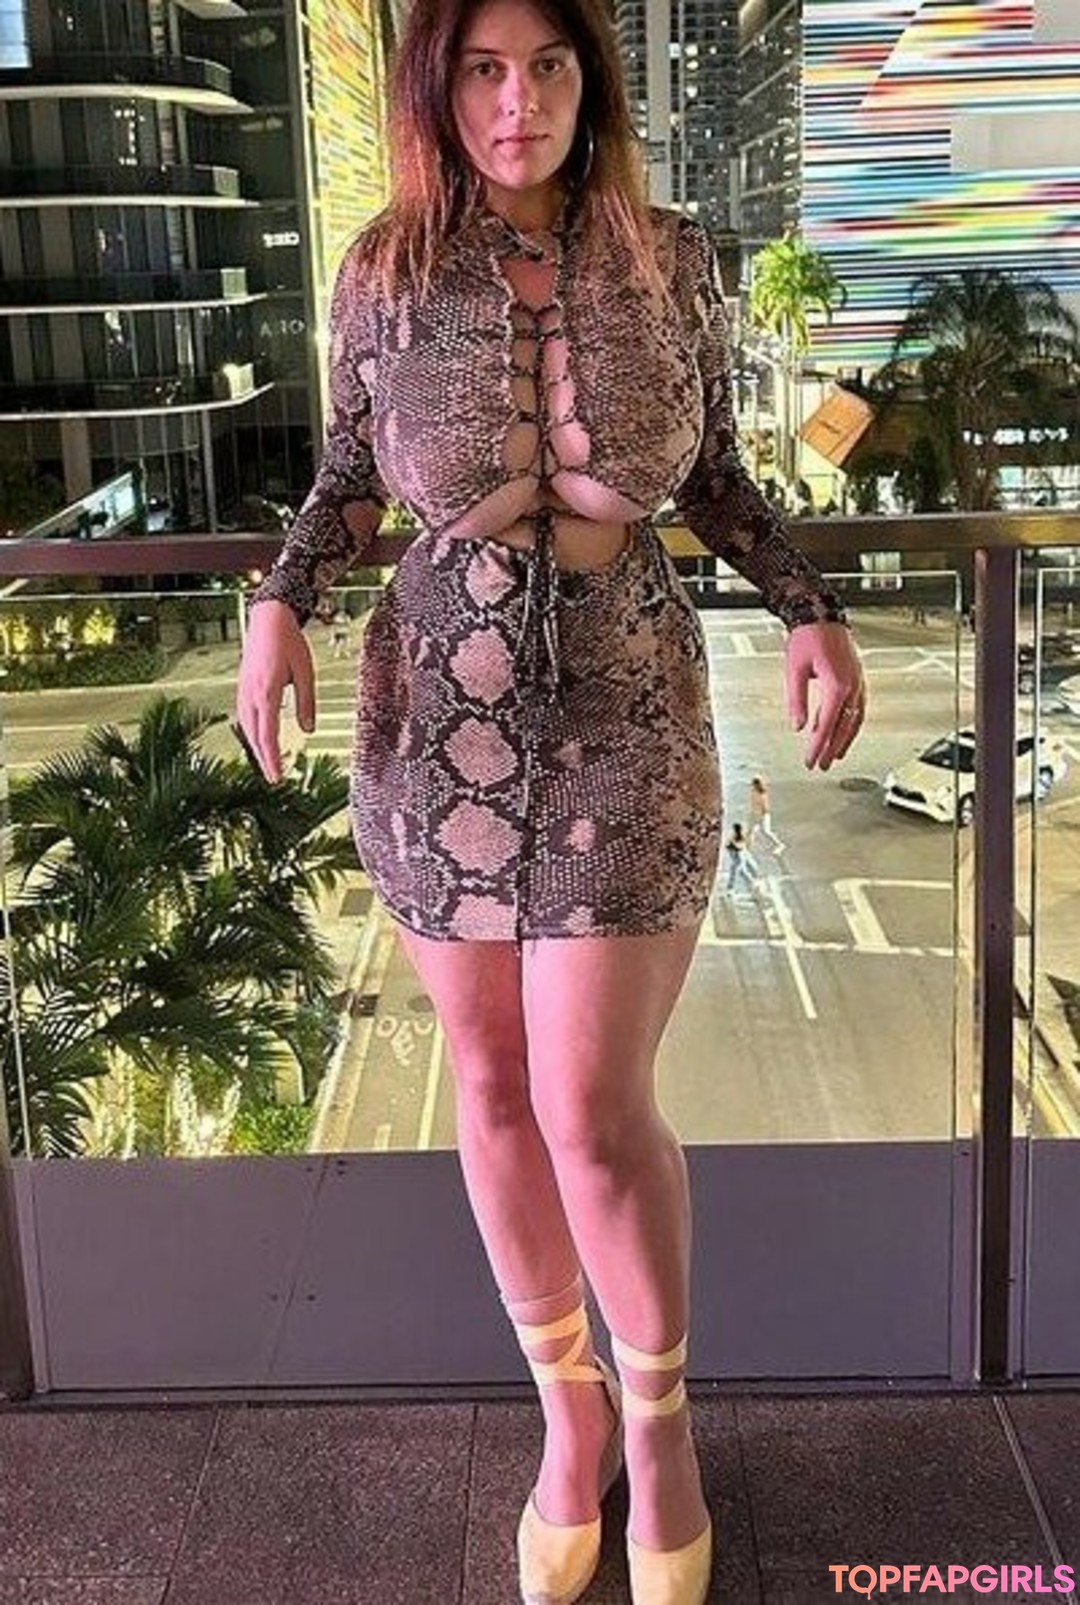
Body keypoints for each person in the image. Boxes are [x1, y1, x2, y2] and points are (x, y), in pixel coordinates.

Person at [235, 3, 866, 1601]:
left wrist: (808, 606)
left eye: (550, 65)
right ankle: (567, 1416)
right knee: (496, 1089)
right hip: (436, 722)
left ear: (592, 79)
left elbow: (713, 473)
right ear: (438, 89)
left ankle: (661, 1427)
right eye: (483, 69)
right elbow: (347, 478)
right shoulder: (383, 270)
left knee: (593, 1104)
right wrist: (279, 602)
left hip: (627, 708)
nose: (518, 100)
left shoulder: (671, 256)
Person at [748, 774, 785, 855]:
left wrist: (761, 817)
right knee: (752, 831)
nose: (752, 785)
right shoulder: (753, 791)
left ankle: (780, 845)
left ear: (757, 784)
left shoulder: (762, 794)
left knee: (766, 832)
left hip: (763, 816)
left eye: (754, 783)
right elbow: (753, 804)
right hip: (755, 815)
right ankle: (748, 849)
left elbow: (766, 808)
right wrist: (753, 814)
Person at [722, 822, 760, 899]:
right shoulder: (734, 837)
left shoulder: (739, 837)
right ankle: (731, 889)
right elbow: (730, 845)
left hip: (739, 855)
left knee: (743, 870)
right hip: (738, 855)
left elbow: (741, 846)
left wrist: (752, 833)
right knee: (737, 870)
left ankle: (753, 883)